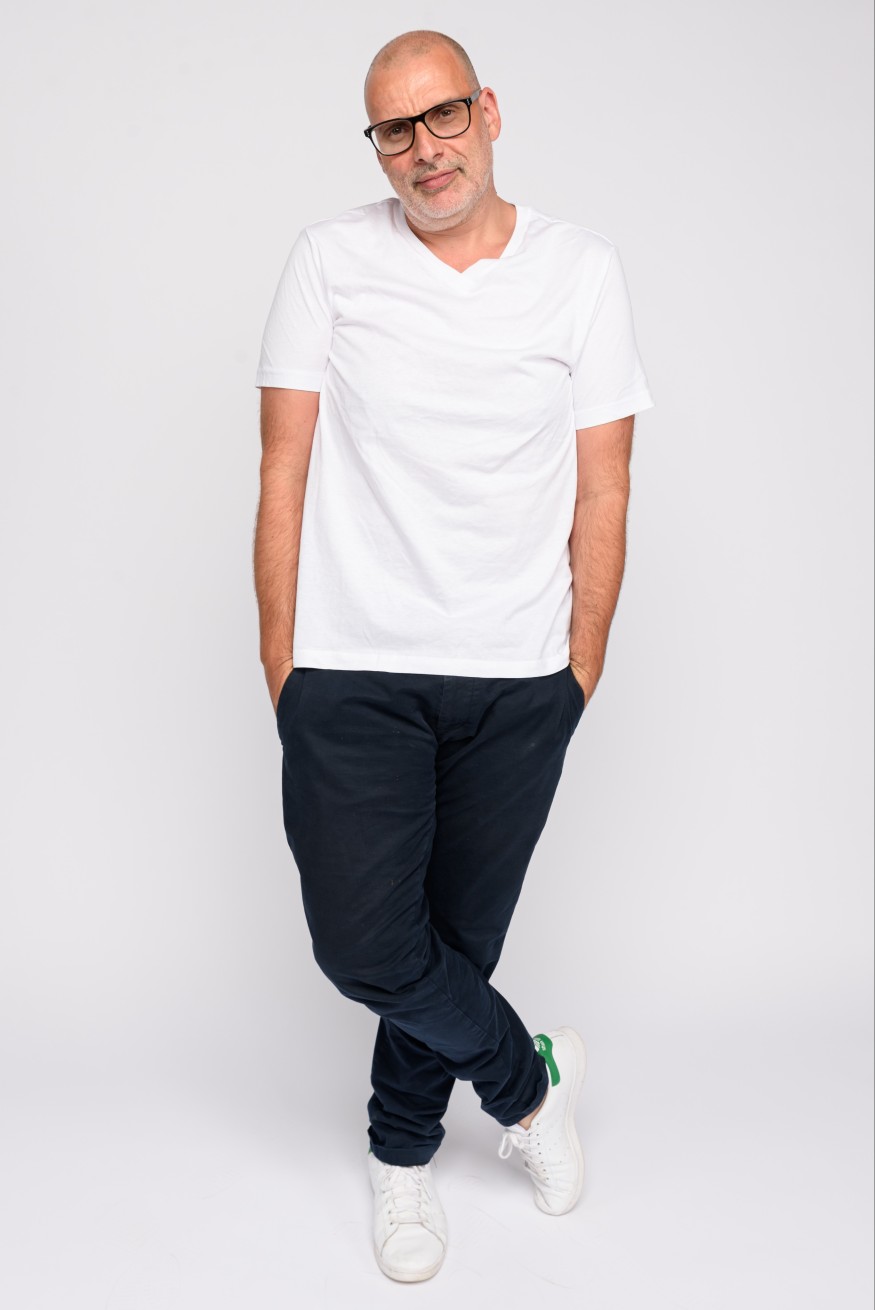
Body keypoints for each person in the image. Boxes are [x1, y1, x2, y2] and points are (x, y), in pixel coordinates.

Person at [253, 28, 654, 1284]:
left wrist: (576, 670)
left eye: (441, 116)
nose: (423, 148)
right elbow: (281, 468)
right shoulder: (328, 260)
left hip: (518, 676)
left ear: (487, 112)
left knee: (454, 938)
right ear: (375, 145)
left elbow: (604, 482)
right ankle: (527, 1081)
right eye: (394, 129)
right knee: (364, 945)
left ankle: (401, 1153)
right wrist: (286, 670)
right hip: (351, 667)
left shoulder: (579, 270)